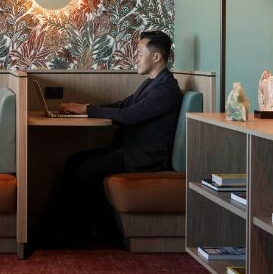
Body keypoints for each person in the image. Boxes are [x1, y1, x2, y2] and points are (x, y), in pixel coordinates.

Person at [40, 30, 182, 245]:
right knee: (73, 161)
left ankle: (74, 231)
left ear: (156, 57)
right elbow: (123, 105)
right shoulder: (152, 83)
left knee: (83, 169)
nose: (135, 58)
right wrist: (84, 109)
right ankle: (54, 227)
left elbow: (127, 116)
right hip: (132, 149)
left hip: (145, 158)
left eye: (139, 53)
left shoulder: (166, 89)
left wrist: (86, 109)